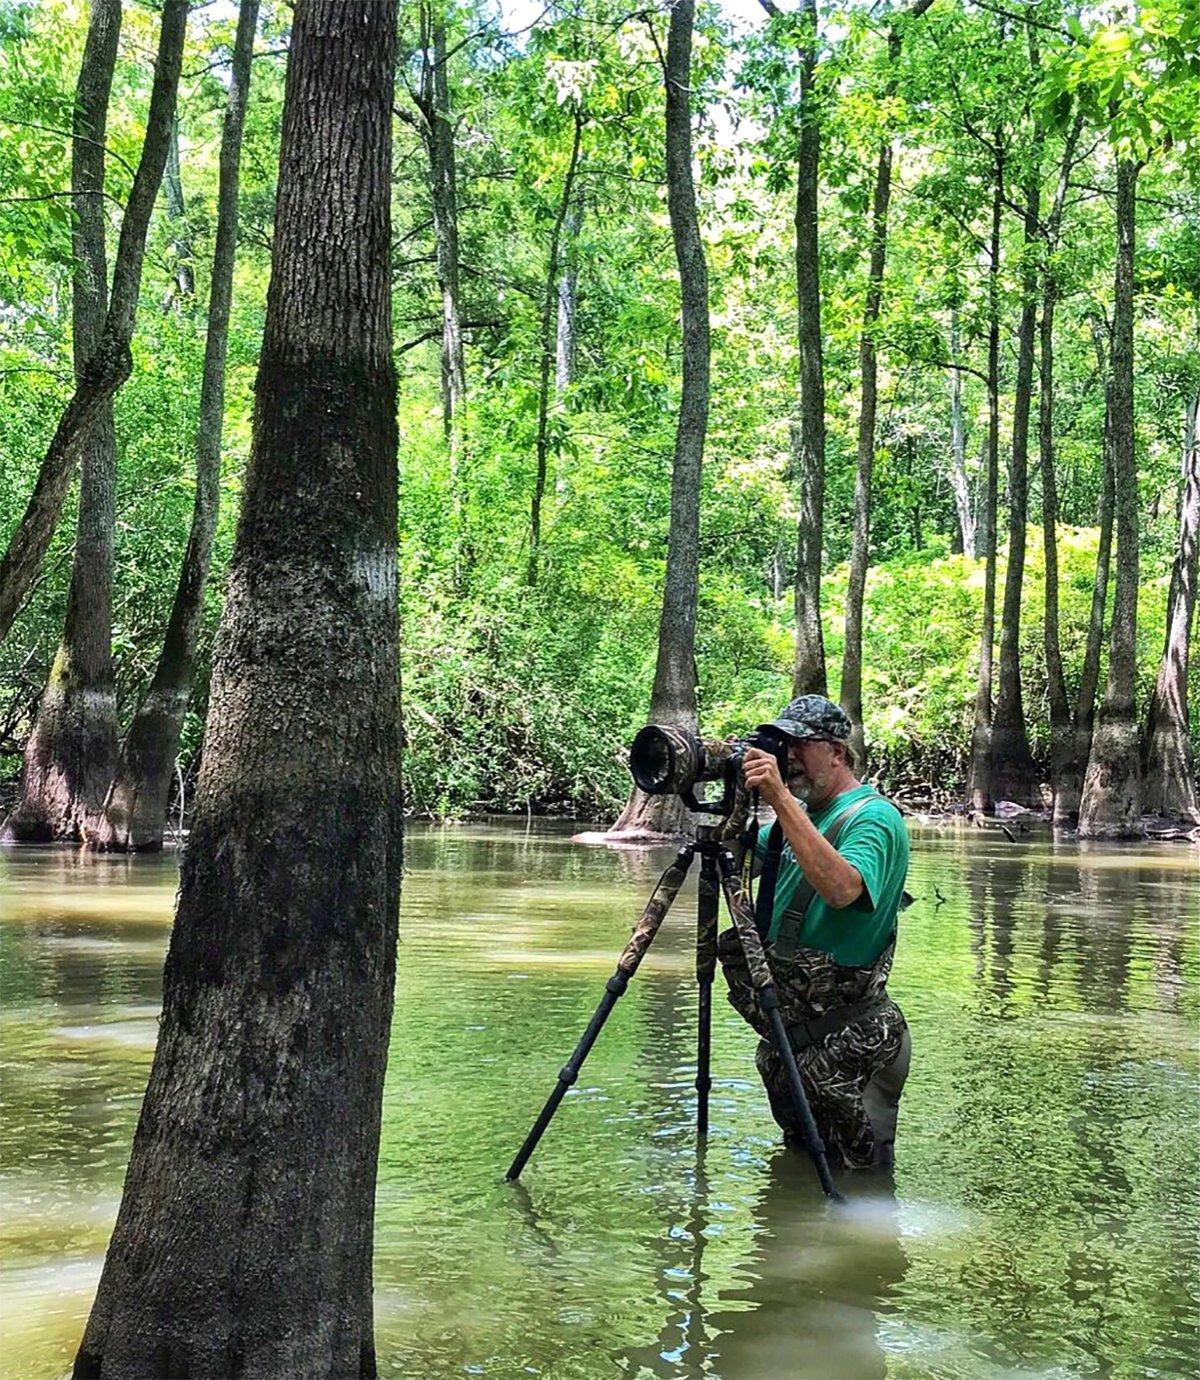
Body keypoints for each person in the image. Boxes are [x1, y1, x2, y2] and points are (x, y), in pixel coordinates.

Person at [717, 694, 911, 1170]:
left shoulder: (872, 817)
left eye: (799, 745)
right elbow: (730, 859)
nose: (789, 758)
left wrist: (780, 797)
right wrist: (727, 788)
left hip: (852, 1046)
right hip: (793, 1042)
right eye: (782, 746)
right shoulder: (796, 819)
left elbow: (843, 888)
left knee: (862, 1189)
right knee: (800, 1178)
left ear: (838, 752)